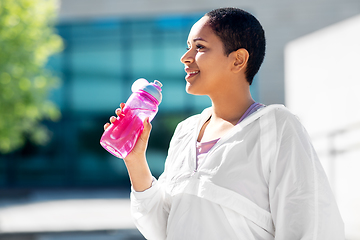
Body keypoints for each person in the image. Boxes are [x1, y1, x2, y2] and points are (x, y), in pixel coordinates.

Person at [104, 7, 344, 240]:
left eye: (200, 47)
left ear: (238, 60)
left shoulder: (277, 127)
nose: (185, 58)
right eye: (188, 47)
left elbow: (313, 226)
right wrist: (135, 160)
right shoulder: (185, 132)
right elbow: (163, 229)